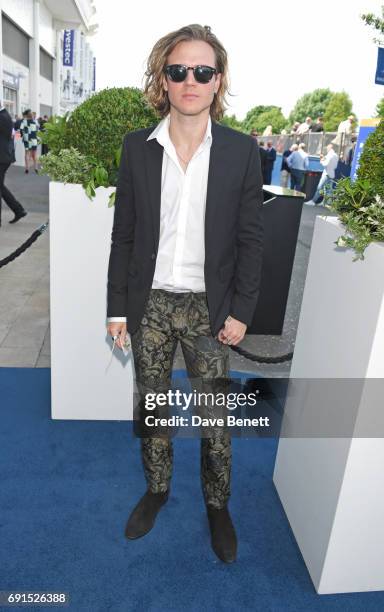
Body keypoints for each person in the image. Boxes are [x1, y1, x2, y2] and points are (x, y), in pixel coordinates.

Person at [106, 23, 264, 564]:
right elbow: (123, 235)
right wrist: (116, 310)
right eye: (178, 71)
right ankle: (157, 490)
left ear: (218, 81)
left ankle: (218, 505)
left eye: (202, 71)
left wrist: (242, 310)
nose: (190, 80)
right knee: (153, 409)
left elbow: (250, 239)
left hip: (209, 307)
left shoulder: (243, 152)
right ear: (164, 80)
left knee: (214, 417)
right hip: (148, 302)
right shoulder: (137, 148)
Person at [0, 102, 27, 224]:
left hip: (2, 158)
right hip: (4, 157)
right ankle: (18, 210)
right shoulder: (4, 115)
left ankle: (18, 210)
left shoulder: (2, 117)